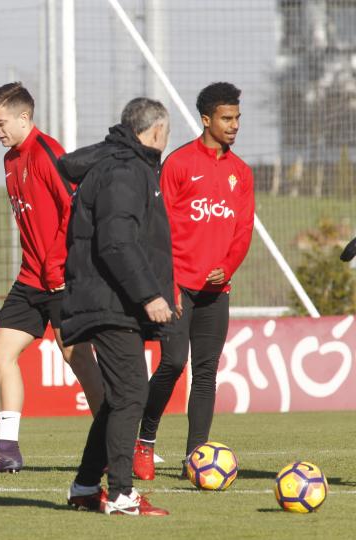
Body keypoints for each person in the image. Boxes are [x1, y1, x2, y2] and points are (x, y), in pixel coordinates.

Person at [0, 82, 103, 474]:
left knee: (78, 359)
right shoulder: (10, 160)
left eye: (0, 122)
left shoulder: (48, 153)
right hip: (30, 278)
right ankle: (7, 449)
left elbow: (75, 212)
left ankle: (113, 442)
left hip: (61, 277)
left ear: (24, 118)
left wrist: (60, 267)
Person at [133, 82, 254, 481]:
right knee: (171, 363)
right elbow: (157, 229)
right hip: (178, 285)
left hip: (217, 291)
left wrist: (228, 268)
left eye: (237, 117)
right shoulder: (179, 164)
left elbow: (243, 230)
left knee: (206, 372)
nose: (234, 125)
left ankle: (195, 458)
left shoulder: (241, 173)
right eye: (226, 118)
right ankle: (145, 440)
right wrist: (166, 286)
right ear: (206, 120)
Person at [59, 97, 173, 516]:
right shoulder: (126, 170)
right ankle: (121, 493)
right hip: (111, 300)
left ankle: (86, 487)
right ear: (157, 131)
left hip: (109, 298)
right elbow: (116, 242)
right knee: (131, 395)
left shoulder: (122, 164)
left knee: (118, 398)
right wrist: (149, 295)